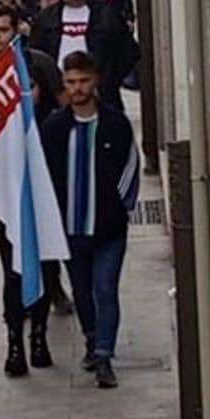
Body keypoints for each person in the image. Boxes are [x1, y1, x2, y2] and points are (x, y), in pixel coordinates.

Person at [0, 5, 68, 375]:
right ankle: (14, 342)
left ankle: (38, 335)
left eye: (2, 29)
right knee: (14, 266)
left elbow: (64, 109)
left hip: (42, 177)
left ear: (16, 30)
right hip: (4, 184)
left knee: (42, 262)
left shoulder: (38, 62)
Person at [40, 51, 139, 389]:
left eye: (83, 81)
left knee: (105, 288)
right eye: (71, 82)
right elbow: (44, 174)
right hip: (70, 228)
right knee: (82, 290)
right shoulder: (54, 127)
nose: (78, 88)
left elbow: (130, 166)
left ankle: (104, 354)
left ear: (94, 80)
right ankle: (92, 339)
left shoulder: (114, 123)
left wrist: (122, 207)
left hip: (109, 227)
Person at [29, 0, 139, 110]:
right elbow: (35, 54)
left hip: (101, 96)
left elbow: (128, 52)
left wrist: (109, 79)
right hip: (56, 96)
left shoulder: (106, 14)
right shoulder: (47, 17)